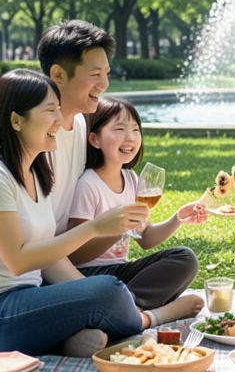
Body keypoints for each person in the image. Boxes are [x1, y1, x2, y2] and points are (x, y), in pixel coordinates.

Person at [0, 69, 150, 358]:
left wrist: (90, 292)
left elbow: (50, 259)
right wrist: (95, 228)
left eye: (59, 109)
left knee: (106, 291)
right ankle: (150, 320)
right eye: (50, 110)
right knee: (109, 292)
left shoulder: (34, 172)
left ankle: (66, 343)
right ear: (16, 120)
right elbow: (19, 261)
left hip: (25, 301)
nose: (60, 119)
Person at [66, 97, 207, 320]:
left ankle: (125, 310)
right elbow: (75, 254)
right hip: (88, 277)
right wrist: (118, 230)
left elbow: (145, 239)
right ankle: (133, 312)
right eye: (119, 129)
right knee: (112, 286)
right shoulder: (88, 184)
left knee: (184, 258)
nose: (130, 137)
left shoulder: (131, 179)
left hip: (120, 274)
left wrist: (178, 218)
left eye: (135, 129)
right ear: (94, 139)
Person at [0, 20, 113, 229]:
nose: (104, 84)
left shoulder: (81, 126)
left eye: (106, 74)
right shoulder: (14, 131)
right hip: (28, 254)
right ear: (59, 75)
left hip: (64, 254)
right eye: (95, 74)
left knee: (175, 257)